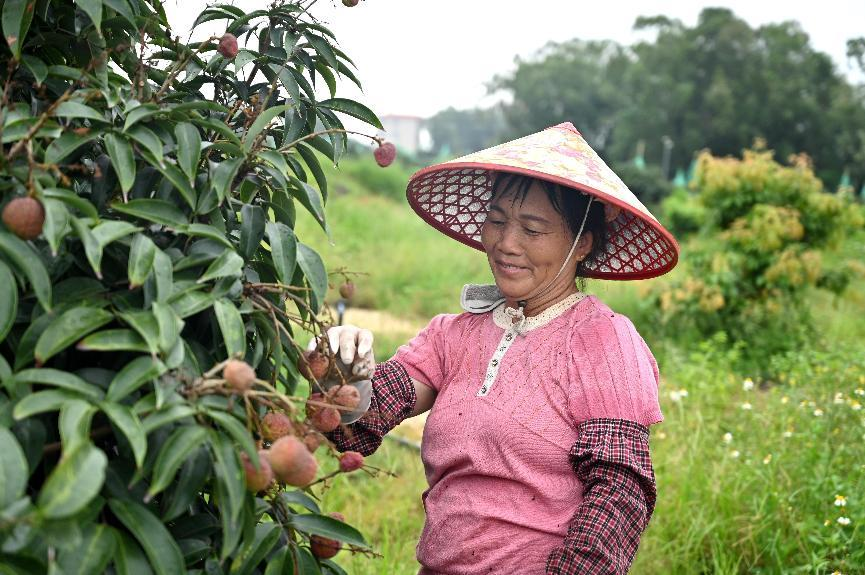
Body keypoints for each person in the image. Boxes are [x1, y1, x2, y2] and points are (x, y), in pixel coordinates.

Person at [317, 122, 679, 574]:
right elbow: (359, 421)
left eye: (532, 229)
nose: (507, 244)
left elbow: (619, 490)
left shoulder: (603, 341)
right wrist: (344, 373)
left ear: (581, 244)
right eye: (497, 220)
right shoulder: (454, 334)